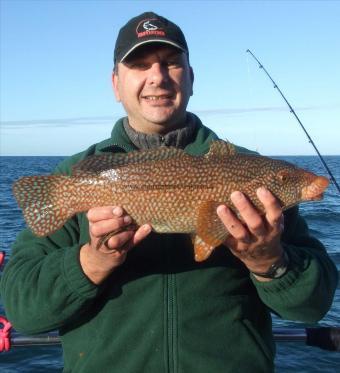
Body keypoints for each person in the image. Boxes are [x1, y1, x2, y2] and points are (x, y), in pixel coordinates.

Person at [1, 12, 338, 373]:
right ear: (116, 84)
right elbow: (23, 309)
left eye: (172, 63)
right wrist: (91, 262)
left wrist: (269, 262)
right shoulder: (73, 175)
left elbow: (312, 307)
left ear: (191, 78)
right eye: (140, 65)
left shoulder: (252, 171)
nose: (157, 77)